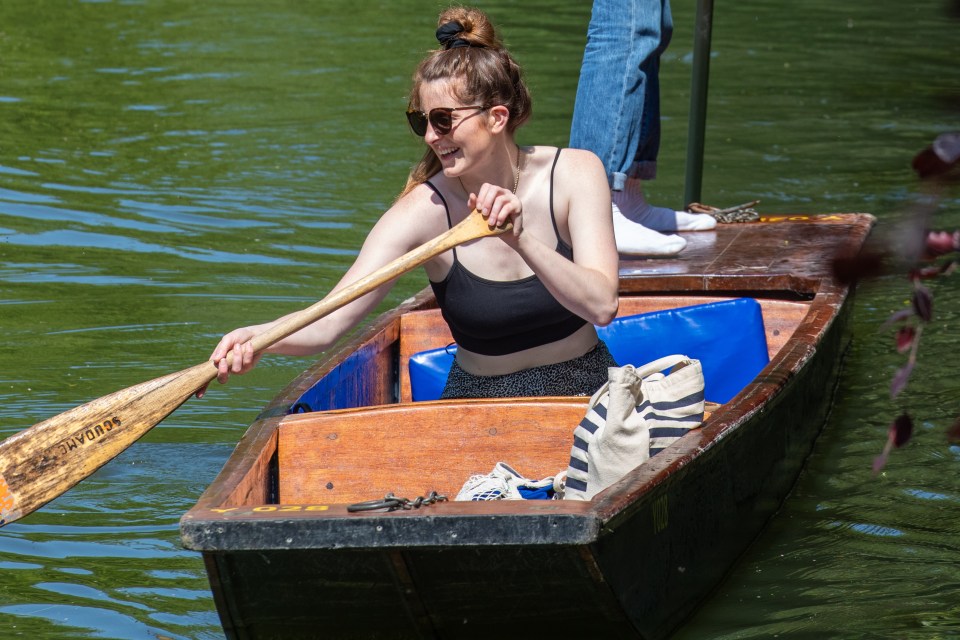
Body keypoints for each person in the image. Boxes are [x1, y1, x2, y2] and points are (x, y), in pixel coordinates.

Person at [203, 6, 621, 400]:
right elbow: (330, 322)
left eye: (444, 120)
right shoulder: (420, 213)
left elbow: (602, 306)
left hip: (586, 387)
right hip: (478, 402)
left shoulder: (575, 174)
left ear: (496, 118)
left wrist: (522, 240)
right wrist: (258, 339)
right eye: (421, 121)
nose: (430, 137)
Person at [569, 0, 716, 257]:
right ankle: (594, 208)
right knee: (626, 25)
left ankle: (628, 200)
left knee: (652, 26)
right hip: (590, 202)